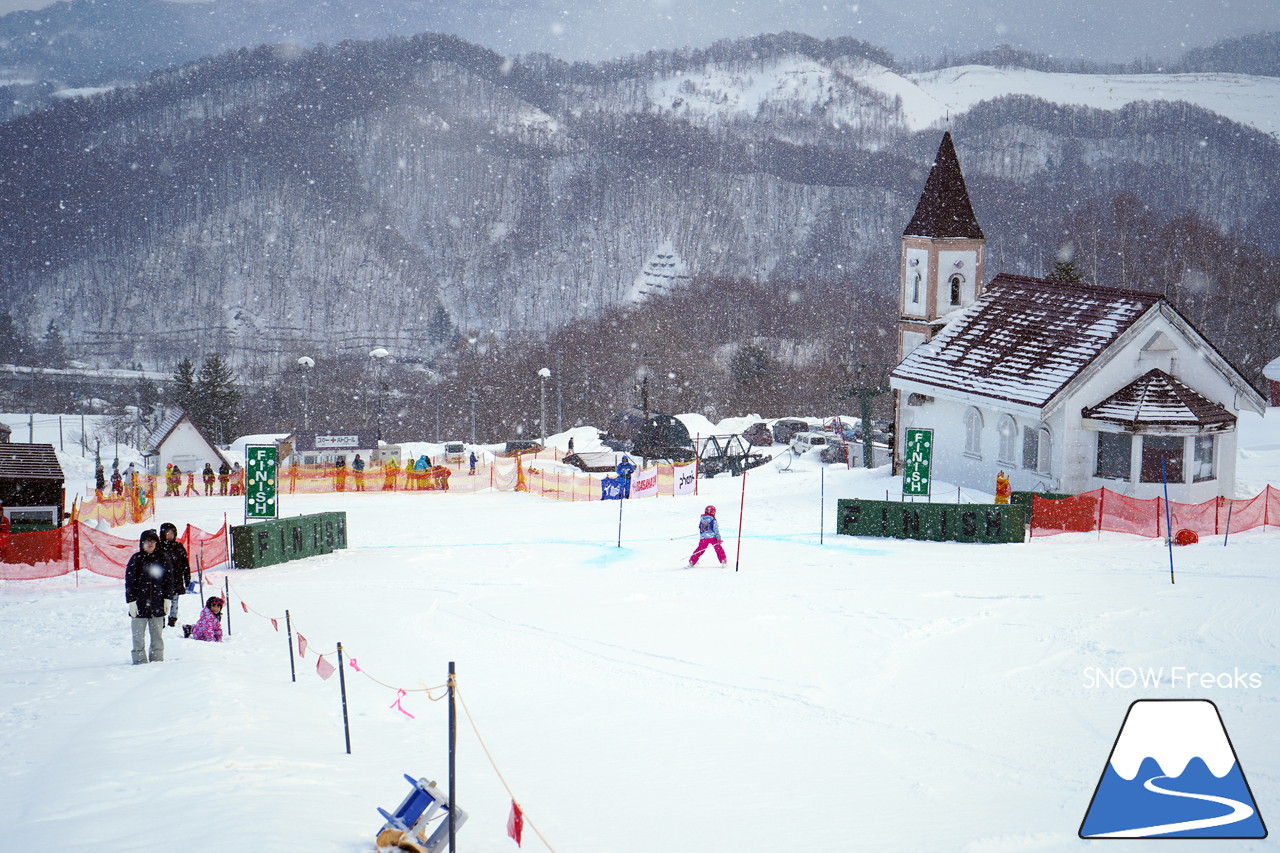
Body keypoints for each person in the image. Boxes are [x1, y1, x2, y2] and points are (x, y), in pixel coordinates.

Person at [124, 529, 173, 664]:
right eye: (146, 541)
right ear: (142, 543)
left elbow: (169, 579)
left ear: (157, 543)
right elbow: (130, 582)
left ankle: (157, 660)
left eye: (152, 541)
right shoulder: (136, 559)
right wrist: (131, 601)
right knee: (138, 636)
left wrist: (168, 598)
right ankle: (139, 661)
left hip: (158, 604)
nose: (150, 544)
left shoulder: (163, 558)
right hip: (139, 605)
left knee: (157, 635)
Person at [158, 522, 191, 627]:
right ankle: (161, 618)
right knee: (161, 600)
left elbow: (185, 563)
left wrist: (187, 577)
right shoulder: (158, 547)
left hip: (176, 579)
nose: (170, 535)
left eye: (172, 533)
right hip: (161, 580)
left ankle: (173, 618)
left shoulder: (178, 547)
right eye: (167, 533)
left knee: (175, 600)